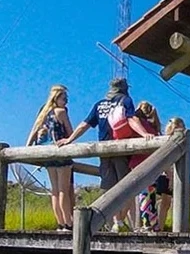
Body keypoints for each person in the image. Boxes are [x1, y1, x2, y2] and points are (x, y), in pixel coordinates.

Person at [58, 77, 151, 232]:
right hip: (120, 148)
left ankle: (108, 221)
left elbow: (85, 124)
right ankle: (118, 221)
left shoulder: (100, 104)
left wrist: (70, 139)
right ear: (124, 88)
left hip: (104, 150)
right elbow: (131, 119)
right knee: (127, 186)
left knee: (108, 186)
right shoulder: (125, 100)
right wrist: (145, 134)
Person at [26, 84, 75, 231]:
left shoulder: (44, 113)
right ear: (57, 98)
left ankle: (60, 223)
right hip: (60, 151)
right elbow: (70, 132)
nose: (66, 101)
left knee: (54, 190)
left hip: (47, 154)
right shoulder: (61, 112)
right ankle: (68, 223)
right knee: (63, 190)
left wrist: (28, 147)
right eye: (64, 98)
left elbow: (34, 130)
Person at [132, 101, 162, 231]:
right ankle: (153, 221)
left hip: (138, 163)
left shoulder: (138, 124)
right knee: (151, 195)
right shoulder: (154, 127)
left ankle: (146, 222)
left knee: (143, 194)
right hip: (152, 164)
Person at [154, 116, 186, 232]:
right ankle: (158, 225)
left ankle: (160, 226)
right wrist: (170, 176)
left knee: (167, 202)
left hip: (172, 173)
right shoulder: (167, 140)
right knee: (164, 200)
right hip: (165, 174)